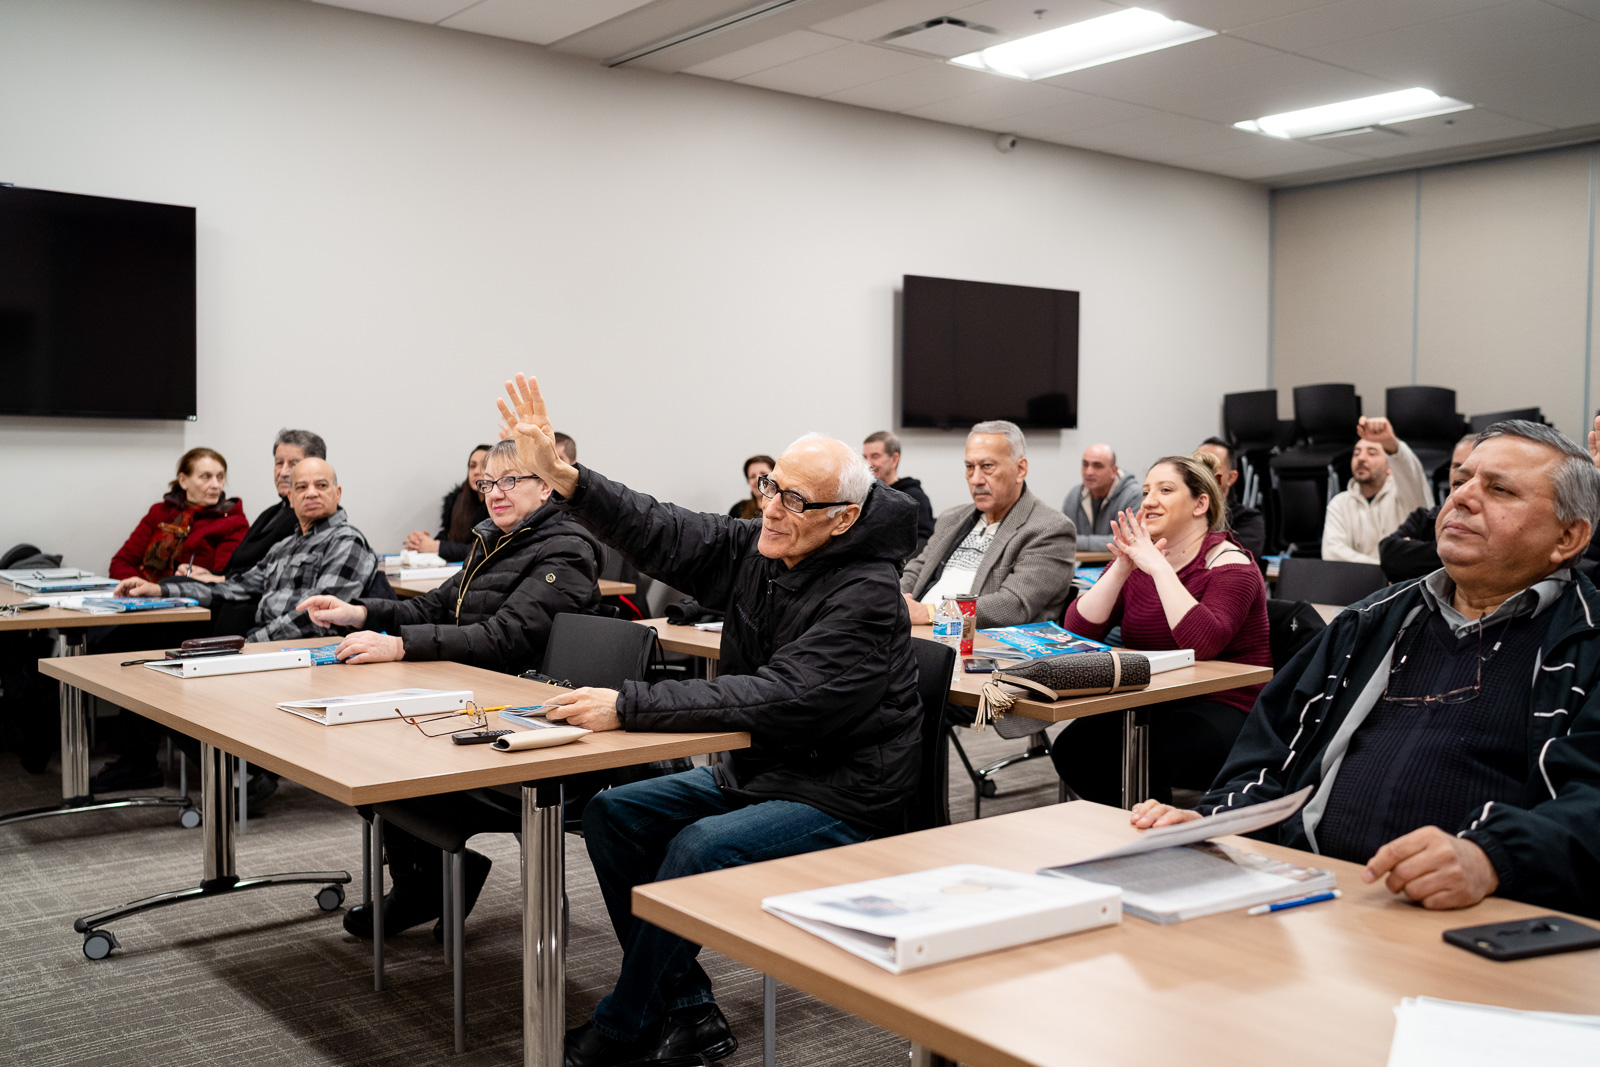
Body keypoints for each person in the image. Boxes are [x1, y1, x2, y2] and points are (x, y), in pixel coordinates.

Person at [495, 374, 920, 1067]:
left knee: (696, 847)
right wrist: (570, 479)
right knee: (611, 813)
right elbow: (662, 527)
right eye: (769, 488)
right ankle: (689, 1012)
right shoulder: (766, 546)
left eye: (793, 498)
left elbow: (776, 694)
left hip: (843, 792)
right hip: (765, 769)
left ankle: (623, 1027)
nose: (772, 508)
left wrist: (630, 705)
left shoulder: (867, 595)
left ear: (842, 517)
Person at [1131, 421, 1600, 919]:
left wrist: (1493, 858)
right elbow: (1269, 751)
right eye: (1460, 481)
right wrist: (1213, 818)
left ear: (1568, 537)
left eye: (1499, 489)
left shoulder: (1588, 642)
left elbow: (1590, 803)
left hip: (1483, 917)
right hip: (1308, 900)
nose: (1462, 499)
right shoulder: (1369, 622)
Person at [298, 438, 604, 940]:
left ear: (547, 486)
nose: (495, 492)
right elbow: (431, 608)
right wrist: (360, 612)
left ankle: (433, 882)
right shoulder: (493, 539)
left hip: (525, 726)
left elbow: (505, 638)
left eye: (511, 481)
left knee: (383, 757)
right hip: (471, 704)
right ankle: (428, 883)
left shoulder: (566, 549)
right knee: (363, 751)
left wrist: (400, 648)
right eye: (487, 482)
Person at [1052, 454, 1270, 805]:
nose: (1149, 500)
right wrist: (1122, 568)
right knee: (1075, 748)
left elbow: (1204, 643)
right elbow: (1078, 630)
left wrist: (1158, 567)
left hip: (1226, 705)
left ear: (1201, 503)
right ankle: (1132, 831)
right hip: (1156, 699)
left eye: (1165, 490)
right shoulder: (1141, 561)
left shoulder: (1232, 564)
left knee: (1147, 752)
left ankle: (1156, 831)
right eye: (1147, 490)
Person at [115, 458, 377, 641]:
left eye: (321, 486)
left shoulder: (346, 541)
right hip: (269, 647)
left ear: (338, 493)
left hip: (308, 652)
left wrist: (249, 644)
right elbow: (234, 588)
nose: (311, 493)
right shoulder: (283, 547)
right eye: (301, 487)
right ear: (291, 498)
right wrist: (159, 590)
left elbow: (320, 618)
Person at [900, 421, 1076, 628]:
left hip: (980, 645)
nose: (976, 479)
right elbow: (916, 570)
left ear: (1020, 469)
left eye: (987, 467)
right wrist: (894, 600)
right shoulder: (952, 518)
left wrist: (931, 612)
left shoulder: (1050, 528)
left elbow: (1014, 605)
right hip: (916, 633)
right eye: (969, 467)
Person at [180, 428, 326, 582]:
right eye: (279, 463)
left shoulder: (310, 517)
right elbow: (238, 567)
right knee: (177, 581)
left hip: (254, 596)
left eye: (292, 464)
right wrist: (210, 575)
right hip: (234, 587)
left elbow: (275, 575)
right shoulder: (271, 512)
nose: (283, 472)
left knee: (172, 585)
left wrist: (220, 579)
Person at [108, 447, 248, 581]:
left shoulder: (233, 521)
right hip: (142, 595)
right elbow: (121, 562)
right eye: (206, 477)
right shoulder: (160, 512)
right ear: (183, 481)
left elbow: (224, 579)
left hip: (191, 598)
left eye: (220, 477)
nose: (216, 485)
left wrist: (161, 592)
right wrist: (140, 588)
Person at [1322, 416, 1432, 564]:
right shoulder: (1339, 503)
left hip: (1403, 584)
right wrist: (1385, 566)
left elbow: (1412, 476)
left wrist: (1391, 444)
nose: (1361, 458)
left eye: (1372, 453)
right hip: (1357, 581)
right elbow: (1333, 554)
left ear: (1390, 467)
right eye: (1356, 453)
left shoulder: (1403, 496)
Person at [1379, 434, 1478, 582]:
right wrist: (1455, 551)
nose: (1462, 475)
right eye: (1457, 468)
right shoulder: (1424, 517)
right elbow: (1389, 554)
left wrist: (1414, 550)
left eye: (1471, 469)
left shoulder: (1491, 522)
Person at [404, 443, 492, 562]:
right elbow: (447, 536)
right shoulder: (457, 500)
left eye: (483, 465)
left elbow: (486, 550)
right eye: (472, 466)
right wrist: (421, 542)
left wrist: (436, 547)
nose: (476, 471)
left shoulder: (499, 504)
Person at [1194, 437, 1266, 558]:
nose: (1203, 473)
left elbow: (1236, 559)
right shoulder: (1178, 511)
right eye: (1197, 466)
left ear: (1231, 477)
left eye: (1212, 467)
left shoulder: (1247, 519)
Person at [1063, 444, 1141, 552]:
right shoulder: (1075, 494)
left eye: (1097, 466)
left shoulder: (1134, 495)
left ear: (1114, 471)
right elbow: (1061, 538)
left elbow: (1130, 540)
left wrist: (1076, 542)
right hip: (1085, 566)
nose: (1088, 472)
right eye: (1085, 465)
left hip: (1123, 565)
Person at [863, 430, 935, 546]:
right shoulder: (864, 495)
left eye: (875, 456)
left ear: (895, 459)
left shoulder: (913, 497)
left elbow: (922, 541)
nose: (868, 463)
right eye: (865, 457)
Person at [727, 454, 774, 520]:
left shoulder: (786, 508)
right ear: (748, 481)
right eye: (752, 476)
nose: (757, 479)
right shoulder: (738, 510)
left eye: (763, 473)